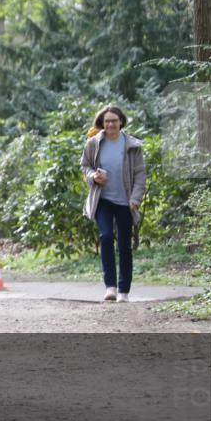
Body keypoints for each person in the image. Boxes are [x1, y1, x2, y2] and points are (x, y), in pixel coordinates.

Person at [80, 105, 146, 303]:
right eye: (107, 121)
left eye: (114, 121)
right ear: (102, 123)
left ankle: (124, 291)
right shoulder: (93, 143)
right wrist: (93, 176)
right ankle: (110, 287)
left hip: (126, 201)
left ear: (121, 122)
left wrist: (135, 198)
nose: (110, 124)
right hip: (103, 200)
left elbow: (140, 174)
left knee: (125, 246)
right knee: (106, 236)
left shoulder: (132, 145)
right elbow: (85, 166)